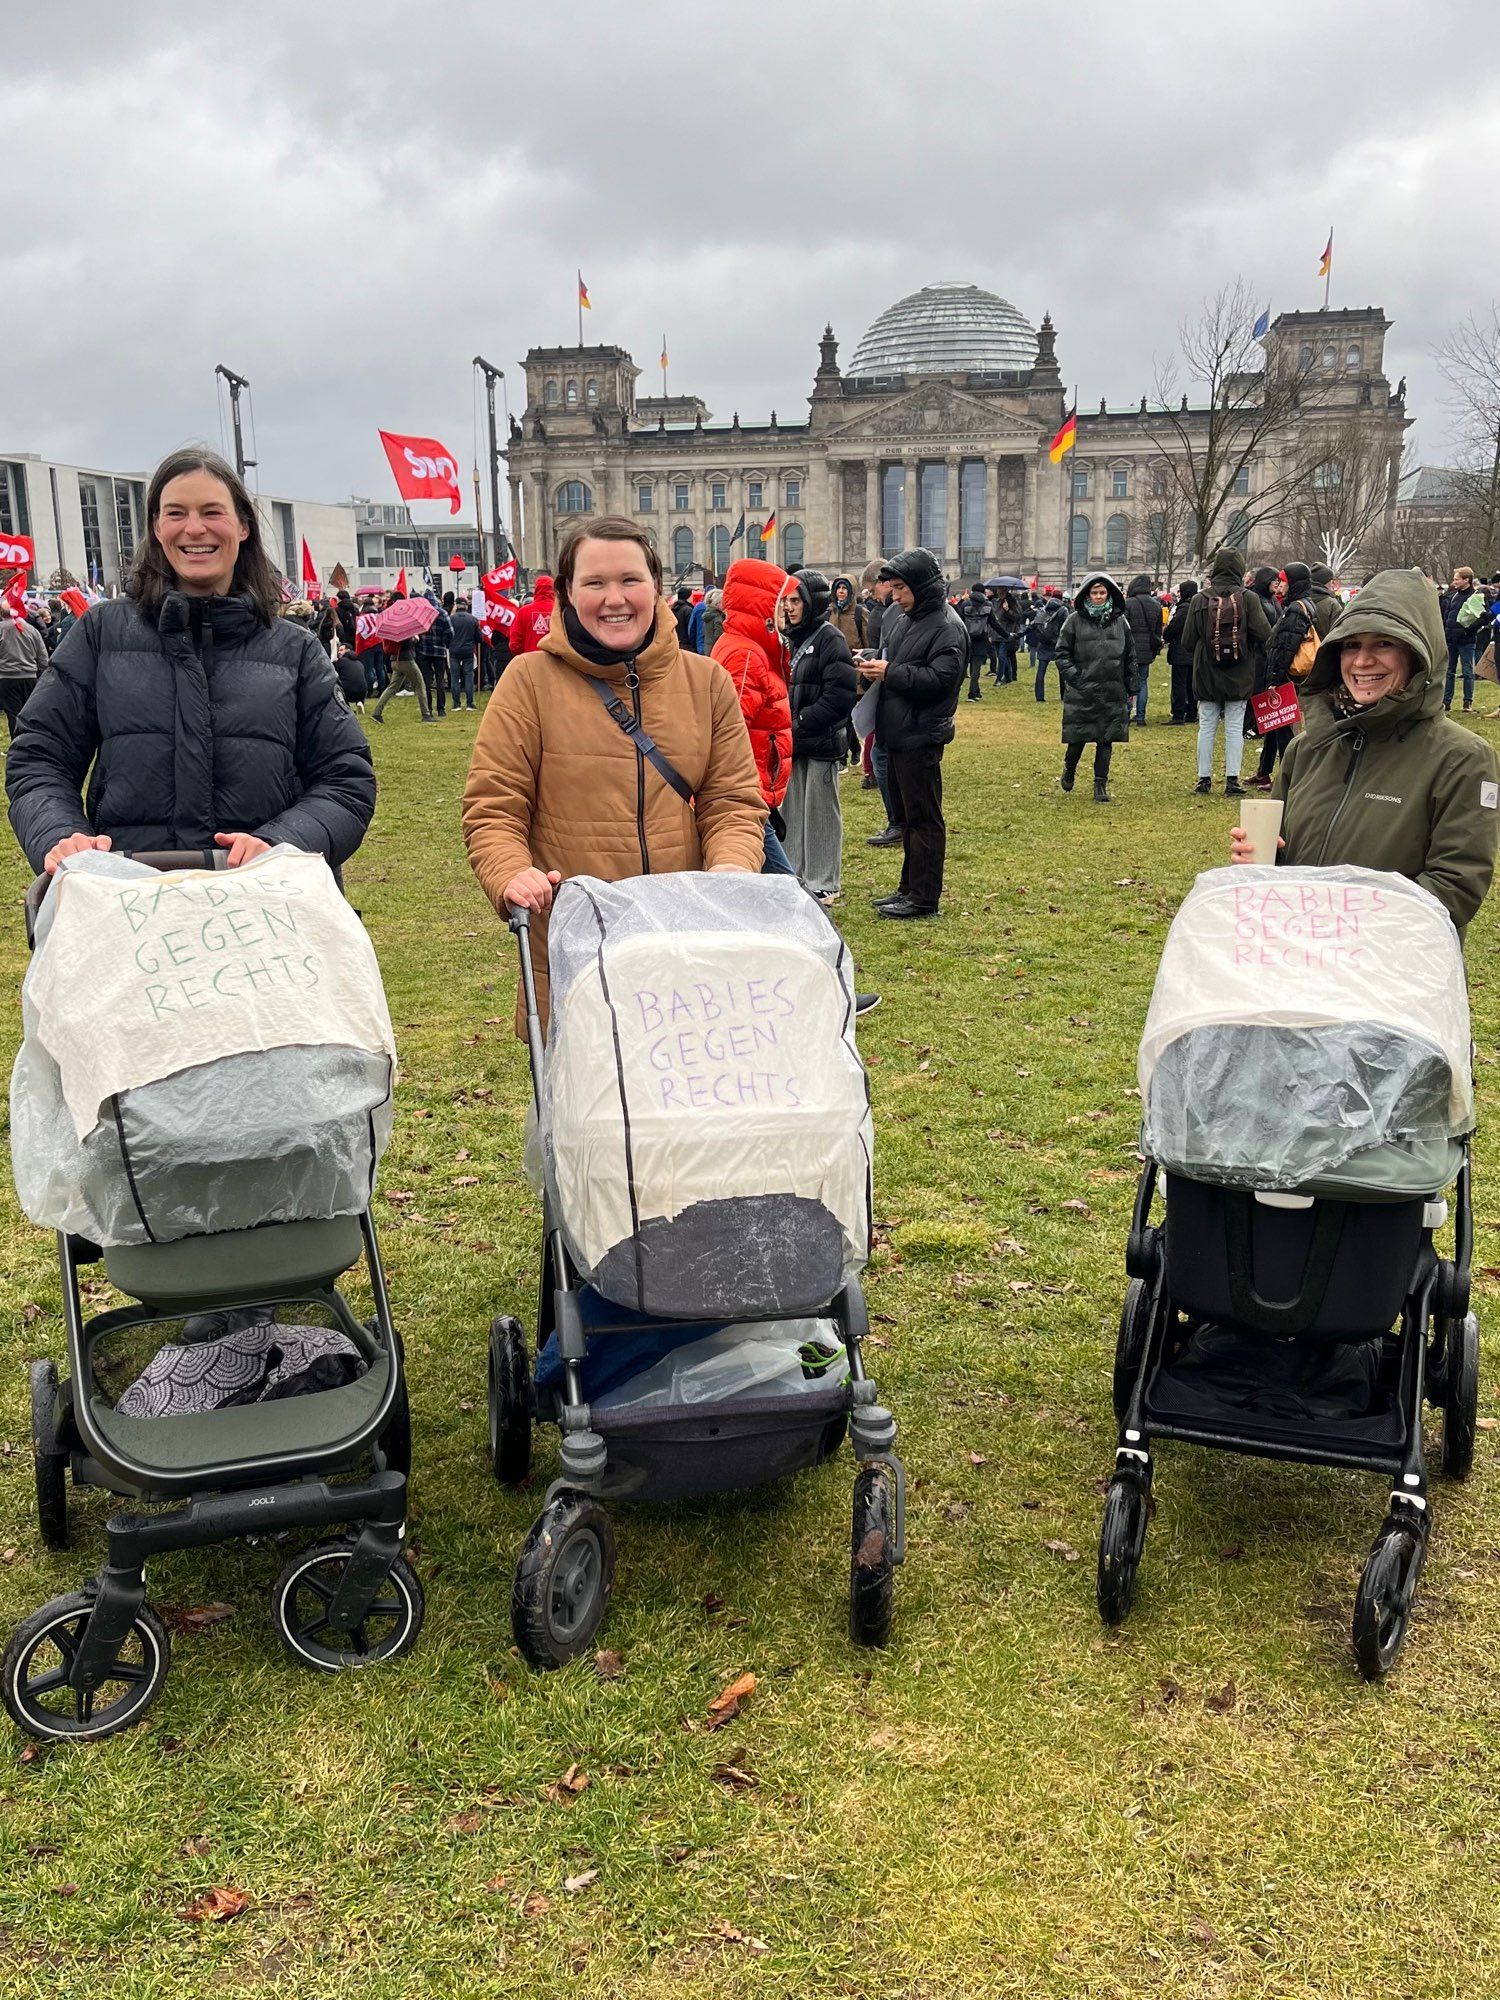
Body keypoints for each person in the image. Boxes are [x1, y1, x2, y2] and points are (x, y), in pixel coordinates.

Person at [6, 447, 375, 875]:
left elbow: (345, 780)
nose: (194, 528)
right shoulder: (101, 633)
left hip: (266, 908)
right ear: (157, 528)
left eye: (212, 512)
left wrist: (282, 844)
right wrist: (60, 835)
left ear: (243, 526)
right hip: (127, 903)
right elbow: (39, 758)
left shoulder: (295, 651)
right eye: (176, 512)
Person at [462, 516, 766, 1031]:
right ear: (567, 592)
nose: (614, 599)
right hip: (577, 945)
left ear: (656, 587)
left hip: (684, 940)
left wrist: (731, 868)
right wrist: (510, 872)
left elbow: (732, 802)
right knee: (584, 1107)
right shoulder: (528, 682)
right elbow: (494, 808)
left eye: (630, 580)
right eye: (594, 583)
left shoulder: (707, 681)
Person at [1230, 568, 1498, 934]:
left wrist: (1342, 931)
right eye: (1352, 645)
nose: (1362, 661)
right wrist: (1260, 861)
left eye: (1384, 644)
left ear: (1421, 655)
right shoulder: (1307, 749)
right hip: (1298, 967)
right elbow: (1279, 859)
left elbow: (1455, 887)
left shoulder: (1461, 758)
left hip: (1390, 976)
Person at [863, 549, 965, 919]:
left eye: (901, 588)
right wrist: (873, 660)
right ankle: (909, 887)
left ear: (921, 587)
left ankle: (924, 898)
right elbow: (900, 659)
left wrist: (890, 672)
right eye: (892, 588)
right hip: (898, 732)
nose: (895, 596)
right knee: (907, 818)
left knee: (924, 818)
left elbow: (940, 681)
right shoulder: (909, 618)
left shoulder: (946, 626)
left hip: (921, 735)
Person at [779, 570, 857, 905]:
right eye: (786, 600)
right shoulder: (793, 638)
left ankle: (825, 880)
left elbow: (839, 696)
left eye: (796, 600)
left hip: (821, 741)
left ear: (812, 602)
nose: (789, 607)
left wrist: (800, 722)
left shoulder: (829, 638)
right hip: (796, 742)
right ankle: (796, 872)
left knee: (821, 812)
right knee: (793, 811)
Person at [712, 555, 794, 873]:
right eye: (780, 600)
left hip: (754, 787)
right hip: (749, 793)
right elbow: (732, 732)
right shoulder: (745, 654)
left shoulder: (750, 647)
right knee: (783, 886)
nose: (786, 608)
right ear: (761, 604)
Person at [1182, 544, 1270, 798]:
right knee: (1234, 727)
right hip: (1239, 672)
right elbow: (1264, 633)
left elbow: (1188, 640)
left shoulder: (1200, 599)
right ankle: (1232, 779)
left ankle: (1204, 779)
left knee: (1207, 726)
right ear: (1240, 570)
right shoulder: (1249, 598)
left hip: (1206, 671)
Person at [1246, 562, 1341, 790]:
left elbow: (1286, 647)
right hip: (1291, 677)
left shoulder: (1296, 608)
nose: (1280, 586)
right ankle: (1266, 771)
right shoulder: (1301, 604)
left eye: (1284, 582)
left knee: (1286, 732)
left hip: (1288, 678)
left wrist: (1273, 679)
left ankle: (1290, 777)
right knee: (1275, 726)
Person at [1055, 574, 1136, 804]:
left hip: (1112, 690)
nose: (1099, 597)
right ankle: (1069, 769)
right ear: (1087, 595)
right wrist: (1076, 678)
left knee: (1105, 739)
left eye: (1102, 593)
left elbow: (1130, 655)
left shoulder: (1121, 622)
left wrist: (1131, 685)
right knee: (1077, 739)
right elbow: (1061, 654)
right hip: (1083, 690)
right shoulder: (1073, 621)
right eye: (1095, 593)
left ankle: (1100, 782)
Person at [1441, 564, 1485, 713]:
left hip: (1466, 641)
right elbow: (1447, 615)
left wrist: (1468, 629)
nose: (1454, 582)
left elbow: (1482, 617)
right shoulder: (1453, 596)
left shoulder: (1475, 597)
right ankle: (1446, 701)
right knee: (1449, 671)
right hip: (1451, 639)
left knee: (1467, 672)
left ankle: (1467, 702)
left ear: (1467, 580)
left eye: (1457, 579)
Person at [1122, 573, 1163, 726]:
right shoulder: (1156, 605)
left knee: (1126, 681)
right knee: (1142, 682)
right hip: (1147, 649)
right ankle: (1141, 716)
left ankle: (1126, 713)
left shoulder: (1128, 603)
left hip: (1130, 649)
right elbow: (1158, 631)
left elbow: (1123, 629)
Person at [1, 606, 48, 739]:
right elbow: (43, 657)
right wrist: (43, 676)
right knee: (30, 713)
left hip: (7, 678)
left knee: (13, 714)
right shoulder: (32, 630)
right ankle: (31, 741)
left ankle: (17, 743)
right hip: (30, 677)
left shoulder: (1, 629)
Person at [370, 637, 433, 724]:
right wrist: (415, 638)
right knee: (419, 686)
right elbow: (406, 645)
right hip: (406, 660)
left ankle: (377, 713)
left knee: (392, 688)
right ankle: (426, 714)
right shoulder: (403, 630)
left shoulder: (391, 630)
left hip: (395, 660)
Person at [1162, 579, 1198, 723]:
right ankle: (1191, 713)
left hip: (1181, 651)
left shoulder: (1184, 609)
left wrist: (1166, 635)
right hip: (1193, 651)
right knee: (1190, 685)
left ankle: (1178, 714)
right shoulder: (1197, 606)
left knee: (1180, 684)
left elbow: (1174, 628)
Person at [416, 589, 453, 718]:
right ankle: (441, 709)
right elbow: (450, 633)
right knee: (440, 681)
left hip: (424, 651)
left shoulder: (420, 614)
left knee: (426, 682)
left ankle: (429, 709)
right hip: (440, 651)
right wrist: (445, 643)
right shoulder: (442, 613)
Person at [1029, 588, 1068, 703]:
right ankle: (1063, 695)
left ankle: (1039, 696)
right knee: (1062, 671)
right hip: (1058, 643)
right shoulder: (1063, 610)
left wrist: (1017, 635)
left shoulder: (1043, 609)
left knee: (1041, 671)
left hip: (1044, 643)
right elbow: (1066, 627)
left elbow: (1033, 625)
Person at [958, 583, 993, 698]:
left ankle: (975, 691)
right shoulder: (988, 604)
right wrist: (1007, 636)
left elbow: (959, 622)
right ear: (983, 592)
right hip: (981, 638)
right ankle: (972, 693)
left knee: (967, 665)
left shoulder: (965, 604)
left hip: (967, 638)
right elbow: (994, 623)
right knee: (976, 667)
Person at [509, 573, 556, 657]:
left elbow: (514, 644)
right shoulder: (559, 611)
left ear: (536, 589)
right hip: (555, 664)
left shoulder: (523, 612)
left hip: (529, 663)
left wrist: (524, 656)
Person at [448, 594, 481, 710]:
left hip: (454, 651)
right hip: (468, 651)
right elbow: (479, 638)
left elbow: (447, 635)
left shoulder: (451, 619)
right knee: (469, 676)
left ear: (456, 606)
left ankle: (456, 704)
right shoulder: (473, 619)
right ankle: (470, 703)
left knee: (455, 677)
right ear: (466, 606)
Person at [829, 576, 865, 654]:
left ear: (851, 591)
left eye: (844, 588)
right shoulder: (830, 612)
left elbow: (867, 643)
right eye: (838, 587)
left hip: (854, 663)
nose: (840, 591)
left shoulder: (859, 612)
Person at [671, 583, 695, 647]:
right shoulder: (688, 610)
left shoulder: (673, 609)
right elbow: (691, 629)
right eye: (691, 596)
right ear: (688, 597)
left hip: (676, 642)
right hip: (687, 644)